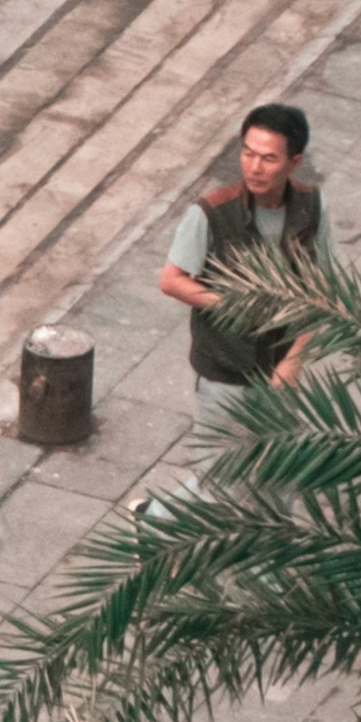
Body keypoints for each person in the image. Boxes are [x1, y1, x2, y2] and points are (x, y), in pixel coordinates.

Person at [152, 102, 327, 461]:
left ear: (294, 162)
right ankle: (154, 515)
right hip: (224, 372)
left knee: (278, 478)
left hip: (279, 369)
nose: (254, 166)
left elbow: (325, 292)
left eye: (268, 158)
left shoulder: (311, 209)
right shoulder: (212, 212)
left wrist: (296, 359)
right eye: (248, 153)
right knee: (219, 484)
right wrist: (236, 303)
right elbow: (171, 281)